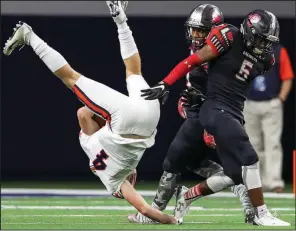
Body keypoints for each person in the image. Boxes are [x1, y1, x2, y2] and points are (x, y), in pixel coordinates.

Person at [2, 1, 180, 225]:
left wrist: (172, 220)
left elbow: (145, 208)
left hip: (149, 120)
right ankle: (30, 36)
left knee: (129, 72)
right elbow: (83, 114)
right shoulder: (102, 166)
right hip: (123, 122)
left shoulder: (115, 178)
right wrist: (103, 114)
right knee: (75, 78)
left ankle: (120, 21)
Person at [141, 9, 290, 226]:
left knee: (234, 172)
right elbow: (192, 65)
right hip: (215, 109)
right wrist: (166, 83)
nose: (263, 45)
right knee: (246, 154)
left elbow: (238, 77)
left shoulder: (267, 59)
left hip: (234, 111)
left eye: (266, 41)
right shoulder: (227, 36)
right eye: (259, 38)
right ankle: (260, 212)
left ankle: (188, 195)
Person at [127, 4, 254, 224]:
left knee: (173, 160)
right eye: (194, 30)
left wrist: (209, 124)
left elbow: (222, 92)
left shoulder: (222, 56)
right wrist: (185, 102)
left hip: (212, 113)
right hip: (204, 112)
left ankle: (154, 212)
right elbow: (192, 82)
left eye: (201, 31)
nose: (196, 35)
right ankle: (243, 191)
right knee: (193, 161)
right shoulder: (204, 51)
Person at [244, 43, 294, 193]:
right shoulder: (246, 50)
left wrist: (281, 99)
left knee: (272, 143)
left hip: (271, 103)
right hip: (250, 103)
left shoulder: (279, 51)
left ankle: (273, 182)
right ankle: (255, 183)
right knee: (252, 144)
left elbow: (287, 77)